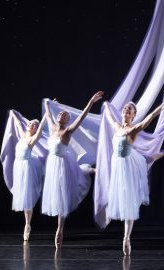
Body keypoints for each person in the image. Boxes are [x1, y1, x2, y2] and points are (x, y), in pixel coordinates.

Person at [101, 101, 164, 256]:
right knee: (145, 162)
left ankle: (126, 238)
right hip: (119, 165)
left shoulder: (134, 129)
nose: (126, 110)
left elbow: (149, 117)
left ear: (133, 115)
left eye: (129, 109)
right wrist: (105, 106)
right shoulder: (117, 127)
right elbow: (109, 117)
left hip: (130, 164)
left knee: (131, 198)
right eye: (125, 108)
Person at [42, 91, 103, 248]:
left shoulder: (67, 132)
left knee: (62, 197)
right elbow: (48, 115)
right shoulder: (52, 127)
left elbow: (82, 117)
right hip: (52, 164)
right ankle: (89, 170)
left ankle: (60, 230)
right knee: (56, 193)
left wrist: (91, 101)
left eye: (65, 115)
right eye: (60, 113)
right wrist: (48, 104)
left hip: (62, 165)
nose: (61, 115)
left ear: (68, 120)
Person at [8, 109, 47, 241]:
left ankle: (27, 225)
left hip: (27, 168)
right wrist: (13, 114)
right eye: (30, 123)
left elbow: (41, 127)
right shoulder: (22, 135)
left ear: (35, 129)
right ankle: (27, 224)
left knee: (27, 198)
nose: (31, 125)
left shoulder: (32, 139)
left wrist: (47, 112)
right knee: (23, 198)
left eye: (34, 125)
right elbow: (19, 124)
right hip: (18, 167)